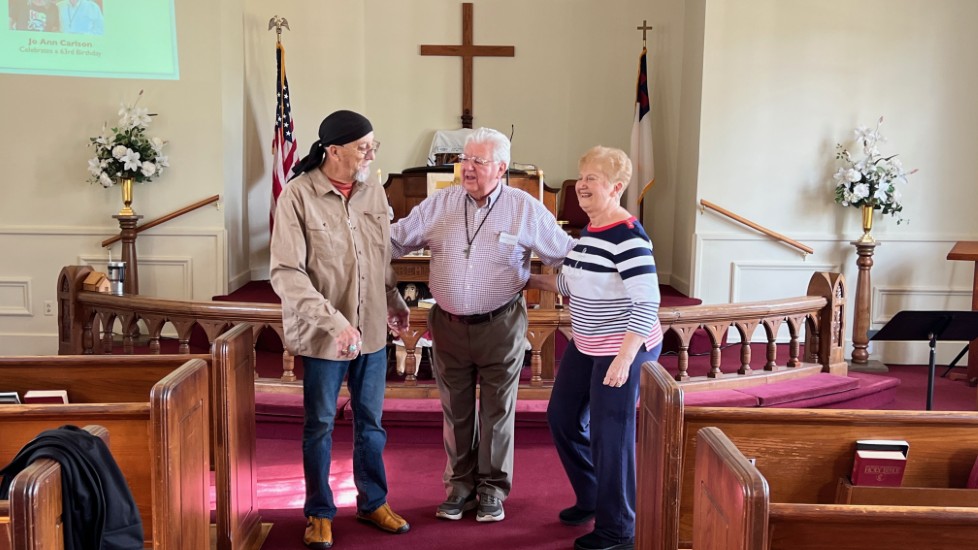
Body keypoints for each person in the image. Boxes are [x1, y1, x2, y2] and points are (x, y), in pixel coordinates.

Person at [390, 127, 575, 523]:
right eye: (464, 159)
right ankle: (459, 487)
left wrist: (591, 274)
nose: (467, 168)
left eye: (478, 161)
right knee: (456, 411)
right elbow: (394, 240)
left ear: (502, 168)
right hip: (449, 325)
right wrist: (354, 237)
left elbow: (565, 255)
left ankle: (492, 488)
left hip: (500, 324)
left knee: (497, 411)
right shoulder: (440, 203)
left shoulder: (523, 208)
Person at [270, 110, 411, 549]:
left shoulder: (373, 192)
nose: (371, 155)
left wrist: (393, 300)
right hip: (324, 336)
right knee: (320, 425)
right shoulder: (298, 195)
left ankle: (373, 502)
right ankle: (319, 512)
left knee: (371, 423)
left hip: (371, 332)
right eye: (363, 147)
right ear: (334, 151)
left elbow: (378, 258)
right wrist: (335, 323)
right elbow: (286, 273)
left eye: (373, 146)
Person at [527, 146, 663, 550]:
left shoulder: (628, 237)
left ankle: (618, 529)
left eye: (593, 179)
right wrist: (527, 280)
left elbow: (647, 302)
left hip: (623, 346)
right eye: (581, 177)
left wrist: (624, 359)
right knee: (563, 417)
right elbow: (574, 282)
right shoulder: (591, 231)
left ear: (616, 188)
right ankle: (592, 496)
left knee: (611, 435)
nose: (582, 185)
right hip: (587, 343)